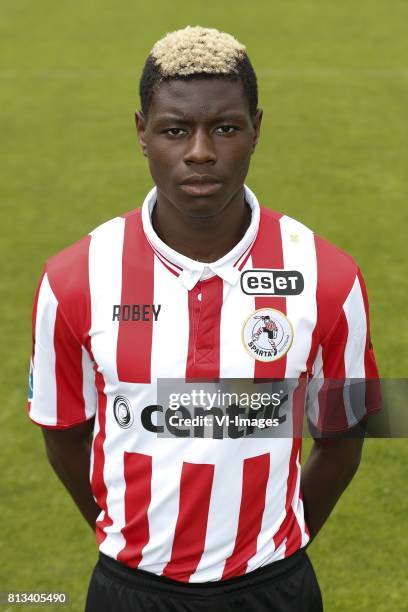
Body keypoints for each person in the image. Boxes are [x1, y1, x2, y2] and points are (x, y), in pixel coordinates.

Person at [27, 25, 381, 612]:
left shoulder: (329, 275)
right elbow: (64, 436)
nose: (200, 152)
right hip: (127, 588)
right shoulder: (73, 278)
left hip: (276, 587)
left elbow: (342, 440)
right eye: (175, 129)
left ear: (256, 129)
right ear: (142, 132)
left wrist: (274, 551)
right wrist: (128, 541)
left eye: (224, 128)